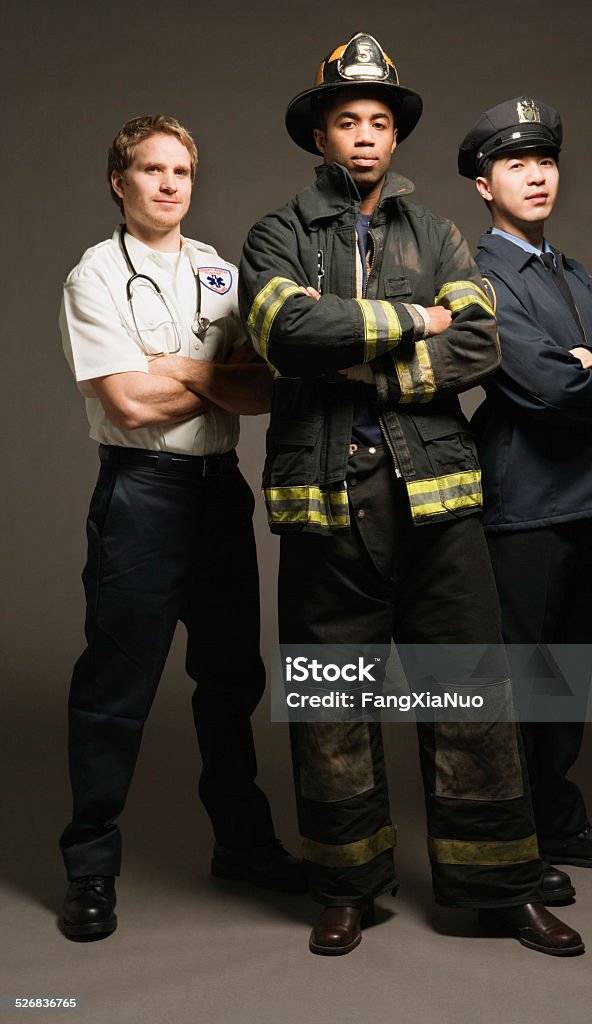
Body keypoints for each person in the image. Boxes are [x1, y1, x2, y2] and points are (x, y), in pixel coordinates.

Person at [238, 35, 584, 957]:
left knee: (471, 692)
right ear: (320, 134)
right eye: (345, 121)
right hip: (324, 502)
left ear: (395, 138)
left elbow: (479, 342)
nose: (362, 137)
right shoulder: (276, 233)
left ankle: (500, 888)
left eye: (378, 123)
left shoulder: (436, 234)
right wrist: (410, 320)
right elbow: (281, 328)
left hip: (435, 495)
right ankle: (345, 887)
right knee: (331, 703)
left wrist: (366, 371)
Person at [59, 114, 305, 941]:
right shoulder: (93, 275)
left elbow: (268, 388)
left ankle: (242, 844)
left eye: (181, 172)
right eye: (151, 170)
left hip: (217, 492)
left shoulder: (220, 272)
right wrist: (213, 377)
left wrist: (171, 367)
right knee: (115, 688)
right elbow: (126, 403)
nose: (169, 184)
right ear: (118, 181)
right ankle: (90, 863)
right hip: (141, 496)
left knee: (233, 678)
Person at [457, 97, 592, 890]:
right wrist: (583, 365)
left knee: (567, 672)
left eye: (542, 160)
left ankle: (558, 819)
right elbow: (543, 390)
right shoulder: (483, 279)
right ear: (483, 185)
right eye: (514, 163)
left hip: (582, 497)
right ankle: (511, 842)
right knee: (518, 678)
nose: (536, 174)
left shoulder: (568, 271)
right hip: (523, 504)